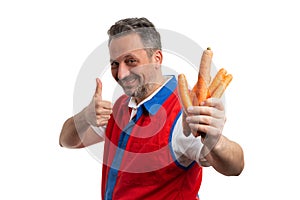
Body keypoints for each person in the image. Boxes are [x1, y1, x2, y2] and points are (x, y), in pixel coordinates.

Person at [59, 17, 244, 200]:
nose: (121, 73)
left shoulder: (185, 115)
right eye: (115, 63)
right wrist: (85, 116)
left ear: (156, 59)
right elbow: (66, 141)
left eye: (131, 61)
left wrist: (216, 141)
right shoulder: (121, 107)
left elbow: (235, 166)